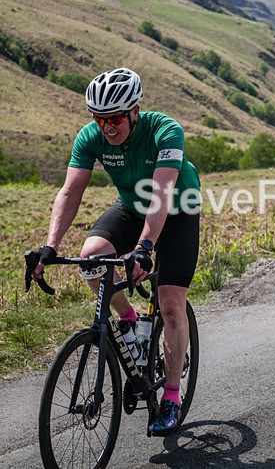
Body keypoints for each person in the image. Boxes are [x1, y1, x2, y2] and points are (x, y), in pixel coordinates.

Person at [30, 68, 201, 437]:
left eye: (116, 118)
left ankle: (170, 397)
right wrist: (50, 246)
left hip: (177, 208)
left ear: (135, 110)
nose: (108, 127)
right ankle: (131, 322)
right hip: (130, 206)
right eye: (100, 119)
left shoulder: (165, 130)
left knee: (170, 303)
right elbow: (70, 191)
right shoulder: (90, 137)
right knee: (91, 260)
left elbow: (161, 193)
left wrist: (143, 248)